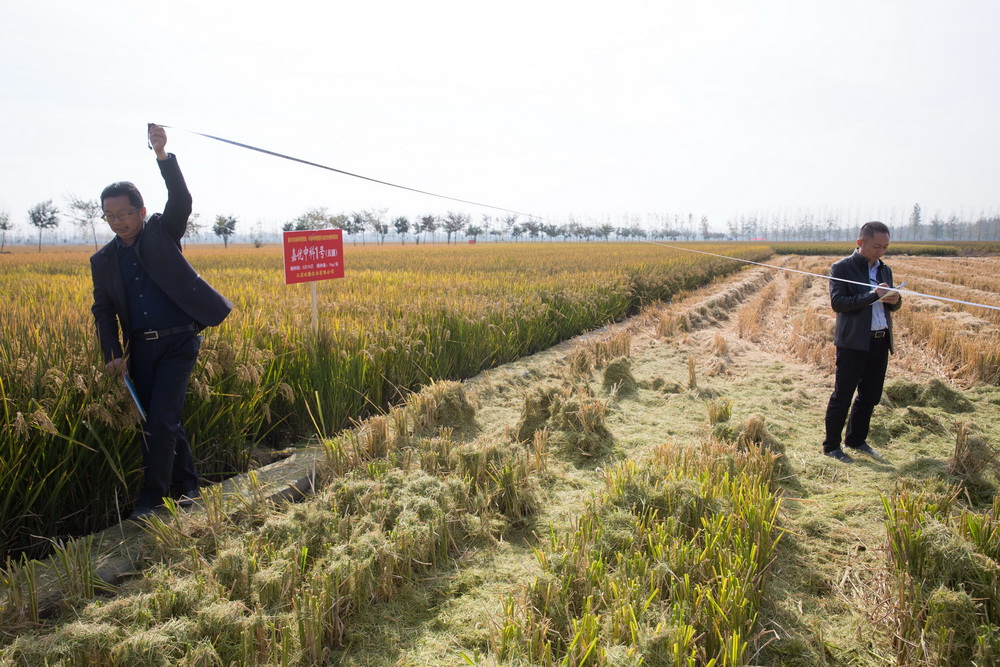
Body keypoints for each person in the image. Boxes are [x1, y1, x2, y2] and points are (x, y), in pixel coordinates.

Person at [91, 124, 232, 519]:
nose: (118, 222)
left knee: (161, 419)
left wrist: (162, 154)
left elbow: (181, 199)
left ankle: (152, 500)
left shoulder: (161, 231)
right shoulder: (102, 261)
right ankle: (188, 487)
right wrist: (113, 353)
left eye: (124, 214)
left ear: (141, 211)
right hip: (142, 347)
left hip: (179, 341)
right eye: (110, 216)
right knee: (159, 420)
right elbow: (102, 311)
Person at [822, 221, 902, 463]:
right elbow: (839, 303)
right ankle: (832, 447)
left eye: (885, 247)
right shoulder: (842, 268)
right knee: (842, 395)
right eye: (877, 246)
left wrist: (895, 299)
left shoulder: (884, 270)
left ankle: (856, 440)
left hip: (879, 341)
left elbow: (894, 305)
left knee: (870, 396)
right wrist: (872, 295)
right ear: (860, 243)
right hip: (853, 342)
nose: (881, 251)